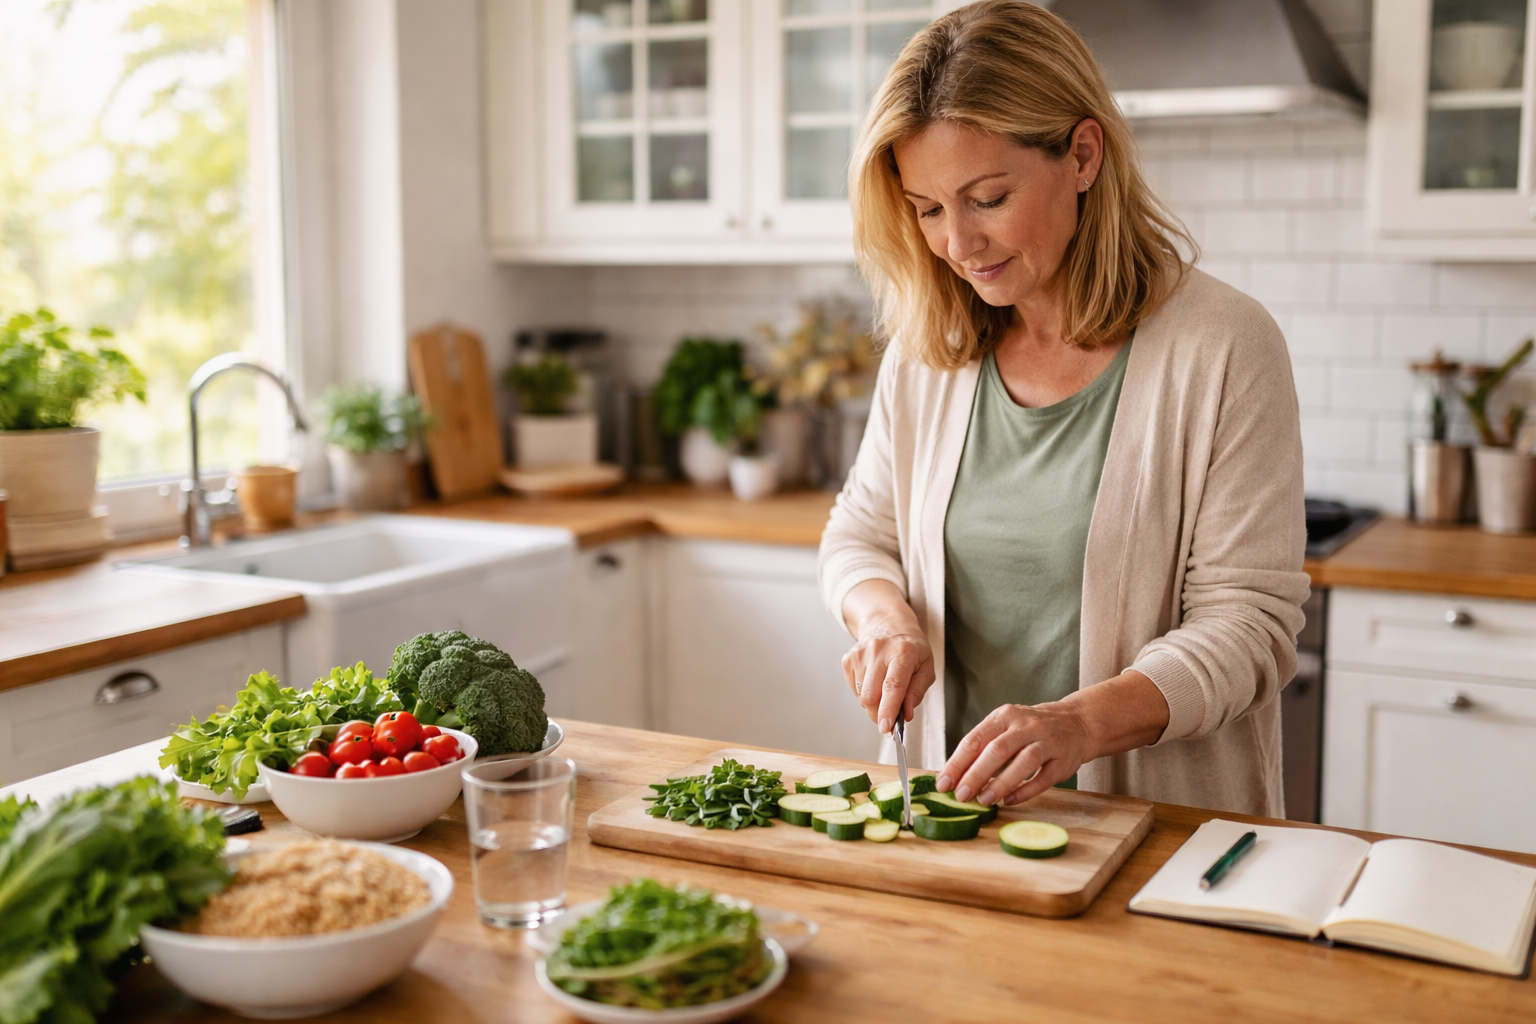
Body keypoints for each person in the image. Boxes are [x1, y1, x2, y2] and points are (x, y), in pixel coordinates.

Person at [818, 0, 1308, 817]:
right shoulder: (928, 347)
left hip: (1156, 837)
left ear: (1083, 155)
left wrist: (1076, 726)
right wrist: (881, 620)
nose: (958, 245)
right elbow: (860, 534)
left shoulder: (1225, 345)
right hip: (949, 826)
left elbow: (1250, 625)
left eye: (987, 197)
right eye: (928, 209)